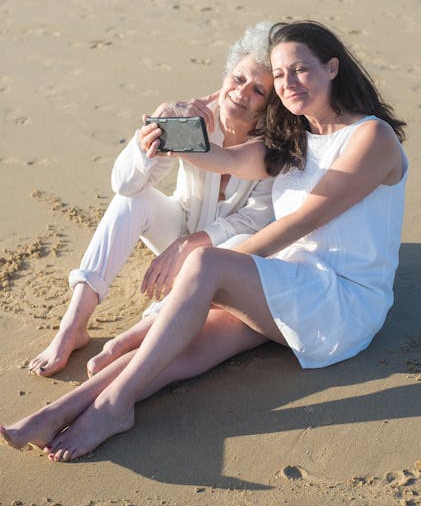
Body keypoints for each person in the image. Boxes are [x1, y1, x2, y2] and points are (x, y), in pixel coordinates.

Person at [1, 20, 408, 461]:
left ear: (332, 68)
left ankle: (116, 407)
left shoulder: (372, 137)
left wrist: (207, 281)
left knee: (206, 266)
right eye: (280, 74)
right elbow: (222, 157)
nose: (289, 84)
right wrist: (174, 125)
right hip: (291, 284)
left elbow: (301, 224)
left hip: (341, 300)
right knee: (181, 347)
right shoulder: (296, 139)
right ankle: (61, 410)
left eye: (300, 70)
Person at [28, 22, 276, 377]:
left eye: (258, 91)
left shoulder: (273, 146)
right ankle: (73, 325)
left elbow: (254, 220)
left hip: (225, 257)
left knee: (239, 244)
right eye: (238, 79)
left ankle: (147, 334)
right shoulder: (193, 119)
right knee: (133, 202)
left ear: (270, 104)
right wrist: (159, 127)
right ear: (225, 75)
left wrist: (192, 245)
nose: (241, 93)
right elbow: (125, 184)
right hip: (179, 228)